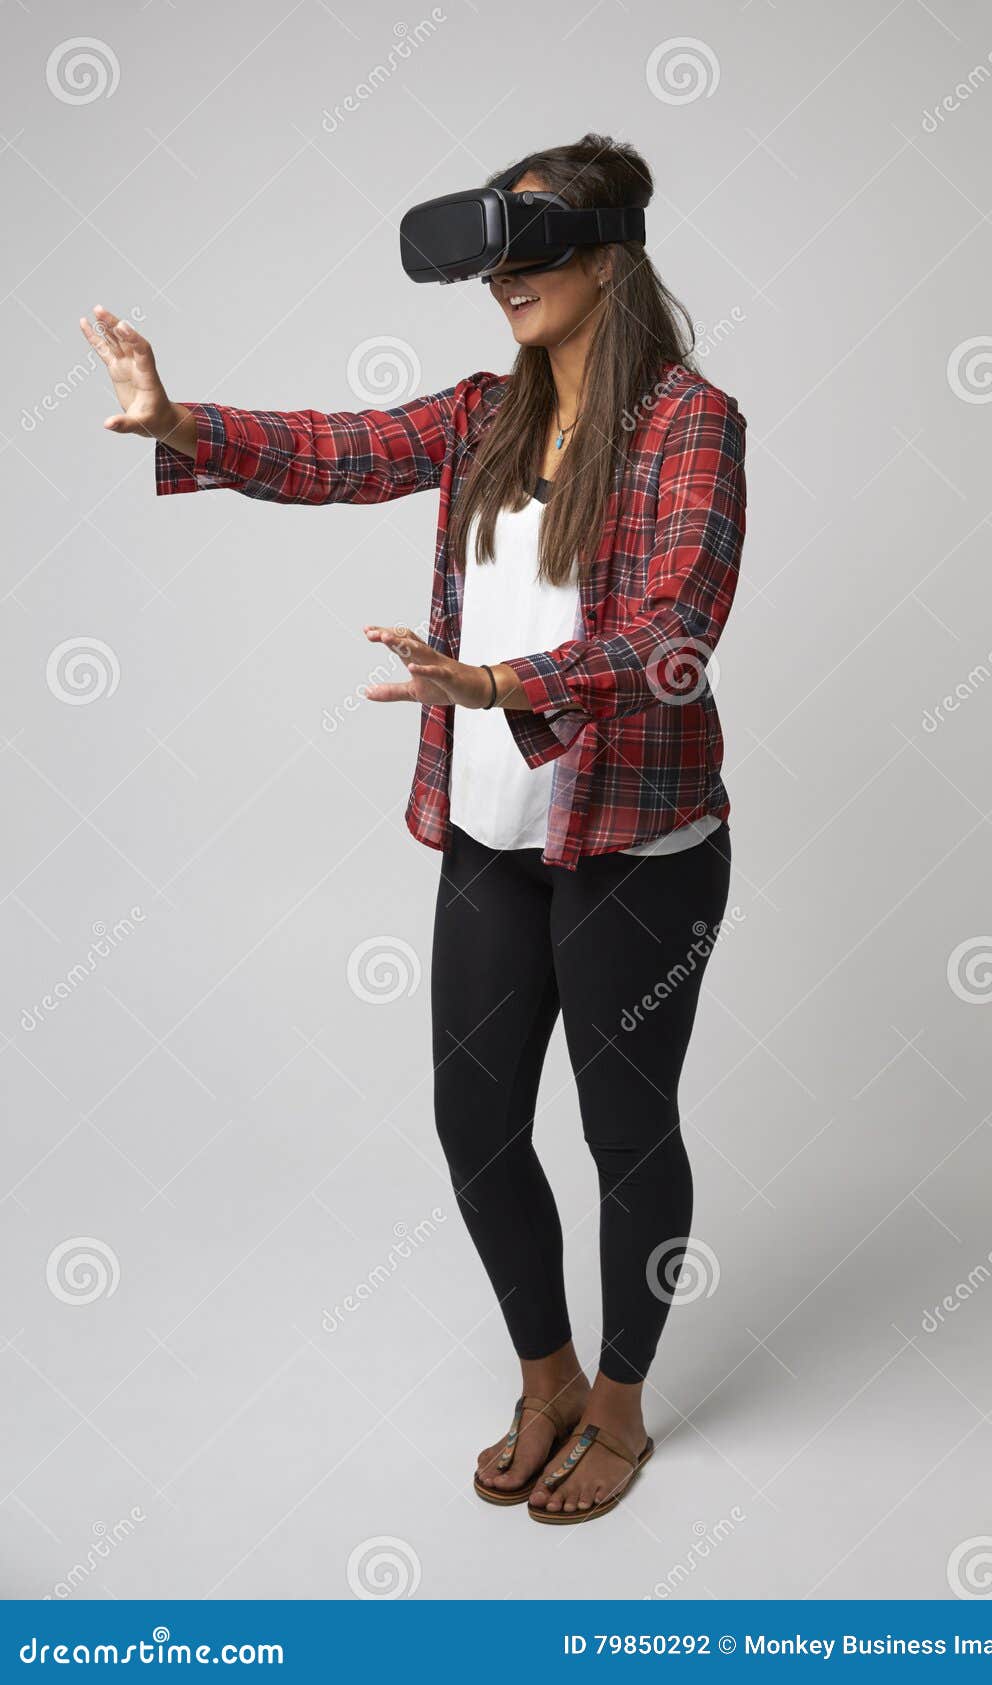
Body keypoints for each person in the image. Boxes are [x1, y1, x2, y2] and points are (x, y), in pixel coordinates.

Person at [81, 132, 746, 1525]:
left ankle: (621, 1403)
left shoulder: (692, 423)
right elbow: (338, 450)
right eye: (492, 257)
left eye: (533, 252)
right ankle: (549, 1373)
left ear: (609, 257)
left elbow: (674, 630)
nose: (505, 280)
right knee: (477, 1123)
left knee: (626, 1130)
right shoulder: (482, 414)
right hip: (495, 835)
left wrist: (501, 684)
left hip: (637, 843)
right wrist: (180, 419)